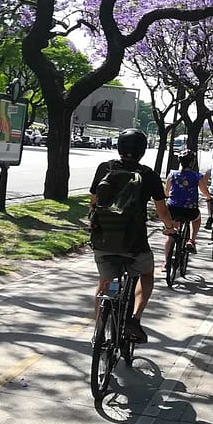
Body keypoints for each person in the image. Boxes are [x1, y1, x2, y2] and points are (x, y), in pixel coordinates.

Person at [90, 128, 176, 343]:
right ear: (142, 151)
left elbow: (93, 202)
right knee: (147, 274)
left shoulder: (104, 168)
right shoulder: (148, 175)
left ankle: (98, 331)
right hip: (134, 243)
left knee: (105, 281)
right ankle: (135, 319)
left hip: (103, 240)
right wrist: (170, 228)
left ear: (119, 147)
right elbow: (162, 211)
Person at [164, 149, 211, 256]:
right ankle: (191, 240)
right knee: (197, 219)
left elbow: (166, 191)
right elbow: (204, 191)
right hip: (190, 210)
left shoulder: (172, 174)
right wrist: (208, 197)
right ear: (192, 162)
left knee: (171, 232)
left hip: (173, 209)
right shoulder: (197, 176)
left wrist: (168, 195)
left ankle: (166, 261)